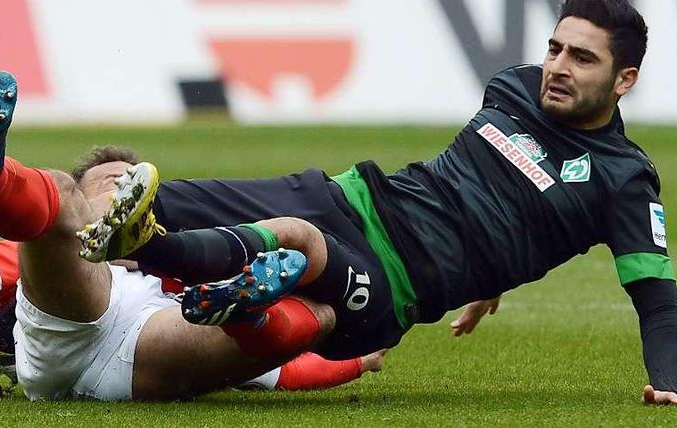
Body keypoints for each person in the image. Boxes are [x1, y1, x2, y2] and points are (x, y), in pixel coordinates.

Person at [69, 0, 676, 404]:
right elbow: (508, 189)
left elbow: (657, 303)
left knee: (297, 248)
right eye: (555, 49)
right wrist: (501, 272)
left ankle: (160, 255)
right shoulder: (514, 86)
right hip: (345, 197)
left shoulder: (624, 181)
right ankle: (10, 232)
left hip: (392, 282)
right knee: (128, 190)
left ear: (625, 80)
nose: (558, 67)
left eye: (583, 58)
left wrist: (669, 382)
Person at [0, 85, 386, 399]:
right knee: (55, 203)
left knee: (312, 317)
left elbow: (280, 373)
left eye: (132, 187)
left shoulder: (191, 255)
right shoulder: (34, 246)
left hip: (145, 348)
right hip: (71, 332)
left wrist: (355, 360)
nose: (122, 192)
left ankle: (243, 306)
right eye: (107, 184)